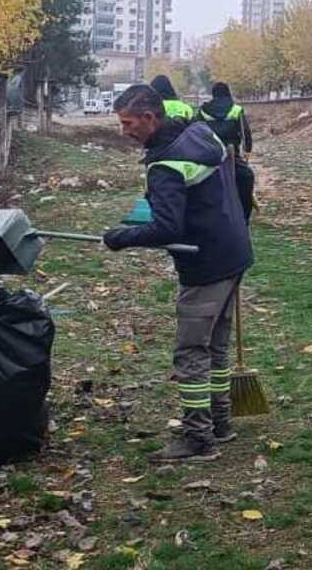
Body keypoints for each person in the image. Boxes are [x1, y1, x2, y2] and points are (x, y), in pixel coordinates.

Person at [102, 84, 253, 463]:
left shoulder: (166, 165)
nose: (124, 131)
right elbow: (242, 177)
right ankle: (220, 423)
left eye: (128, 123)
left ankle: (198, 439)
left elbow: (167, 227)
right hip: (234, 252)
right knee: (215, 346)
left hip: (205, 264)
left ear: (150, 118)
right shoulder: (200, 133)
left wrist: (122, 238)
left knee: (191, 351)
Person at [198, 81, 255, 221]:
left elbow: (196, 131)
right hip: (231, 155)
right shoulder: (236, 109)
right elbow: (245, 133)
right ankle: (244, 216)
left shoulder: (203, 110)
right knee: (247, 177)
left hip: (209, 154)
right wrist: (247, 150)